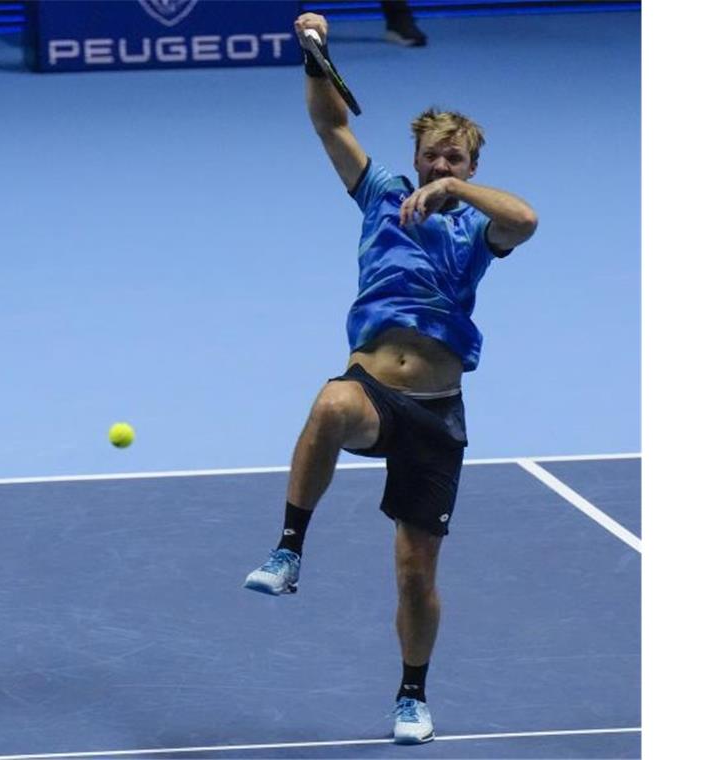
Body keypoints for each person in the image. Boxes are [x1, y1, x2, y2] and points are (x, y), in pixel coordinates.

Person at [243, 13, 537, 745]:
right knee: (331, 403)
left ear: (471, 168)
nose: (441, 166)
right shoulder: (378, 192)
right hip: (374, 389)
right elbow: (329, 124)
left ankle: (412, 695)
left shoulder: (479, 225)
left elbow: (526, 219)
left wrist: (459, 198)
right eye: (433, 157)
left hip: (436, 412)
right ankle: (288, 549)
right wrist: (316, 56)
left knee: (414, 574)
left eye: (456, 161)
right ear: (415, 154)